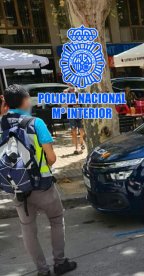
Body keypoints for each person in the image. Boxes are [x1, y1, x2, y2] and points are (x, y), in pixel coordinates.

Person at [0, 84, 77, 276]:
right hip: (42, 186)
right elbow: (51, 158)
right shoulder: (36, 123)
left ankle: (43, 271)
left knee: (27, 228)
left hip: (17, 187)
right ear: (26, 100)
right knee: (56, 220)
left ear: (6, 103)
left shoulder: (2, 124)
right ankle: (59, 263)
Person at [64, 86, 85, 155]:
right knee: (73, 131)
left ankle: (81, 142)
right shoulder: (66, 92)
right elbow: (67, 103)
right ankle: (76, 148)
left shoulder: (79, 91)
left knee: (82, 130)